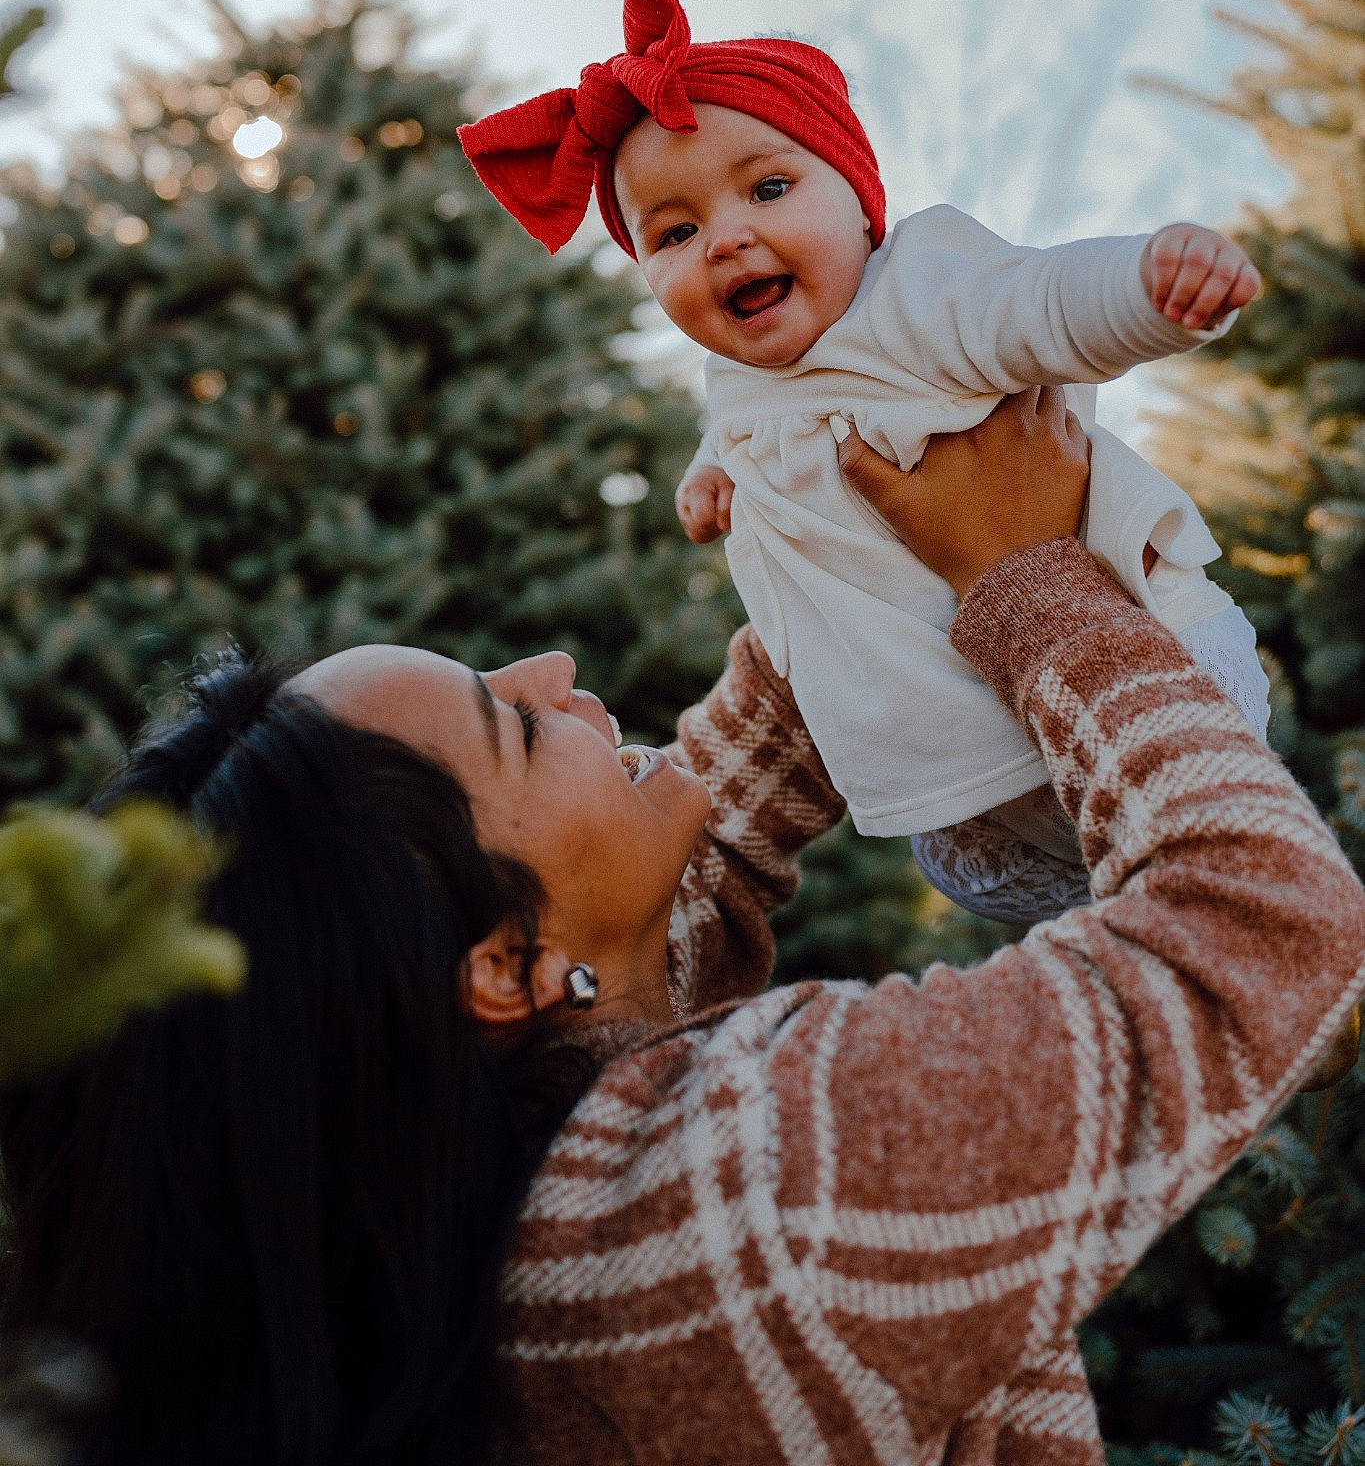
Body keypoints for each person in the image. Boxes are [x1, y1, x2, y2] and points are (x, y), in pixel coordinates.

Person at [2, 389, 1361, 1466]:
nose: (559, 673)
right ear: (499, 969)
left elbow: (731, 789)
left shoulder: (485, 1183)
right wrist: (1023, 573)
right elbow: (1263, 919)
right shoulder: (749, 1194)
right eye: (516, 723)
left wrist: (822, 506)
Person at [458, 0, 1268, 922]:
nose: (726, 238)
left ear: (858, 201)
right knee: (1105, 907)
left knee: (1223, 875)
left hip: (1127, 659)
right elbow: (735, 425)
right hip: (947, 749)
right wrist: (711, 474)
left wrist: (1148, 289)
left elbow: (1045, 302)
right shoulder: (738, 375)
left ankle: (1280, 951)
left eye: (766, 187)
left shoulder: (922, 291)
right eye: (672, 233)